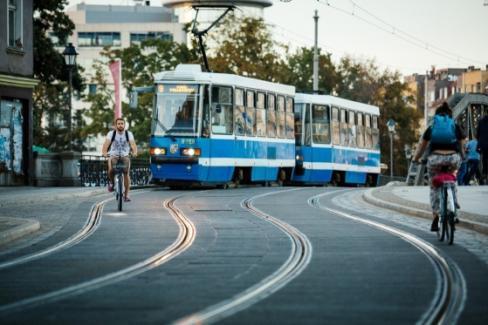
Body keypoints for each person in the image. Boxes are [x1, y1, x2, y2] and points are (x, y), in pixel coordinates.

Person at [413, 102, 466, 231]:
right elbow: (462, 142)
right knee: (452, 178)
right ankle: (454, 207)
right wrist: (462, 155)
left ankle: (436, 215)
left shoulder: (432, 127)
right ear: (449, 115)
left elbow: (422, 146)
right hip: (453, 158)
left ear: (437, 116)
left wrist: (416, 159)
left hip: (435, 159)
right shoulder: (454, 125)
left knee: (434, 186)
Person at [101, 118, 137, 202]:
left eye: (122, 123)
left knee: (126, 173)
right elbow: (106, 145)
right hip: (114, 155)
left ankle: (126, 195)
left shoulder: (129, 134)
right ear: (115, 125)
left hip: (125, 156)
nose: (120, 125)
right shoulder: (111, 133)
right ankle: (112, 183)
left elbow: (133, 145)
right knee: (111, 170)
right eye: (118, 124)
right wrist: (104, 153)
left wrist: (134, 152)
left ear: (124, 125)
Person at [477, 114, 488, 184]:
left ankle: (485, 172)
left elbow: (478, 134)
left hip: (484, 143)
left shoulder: (481, 121)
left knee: (485, 157)